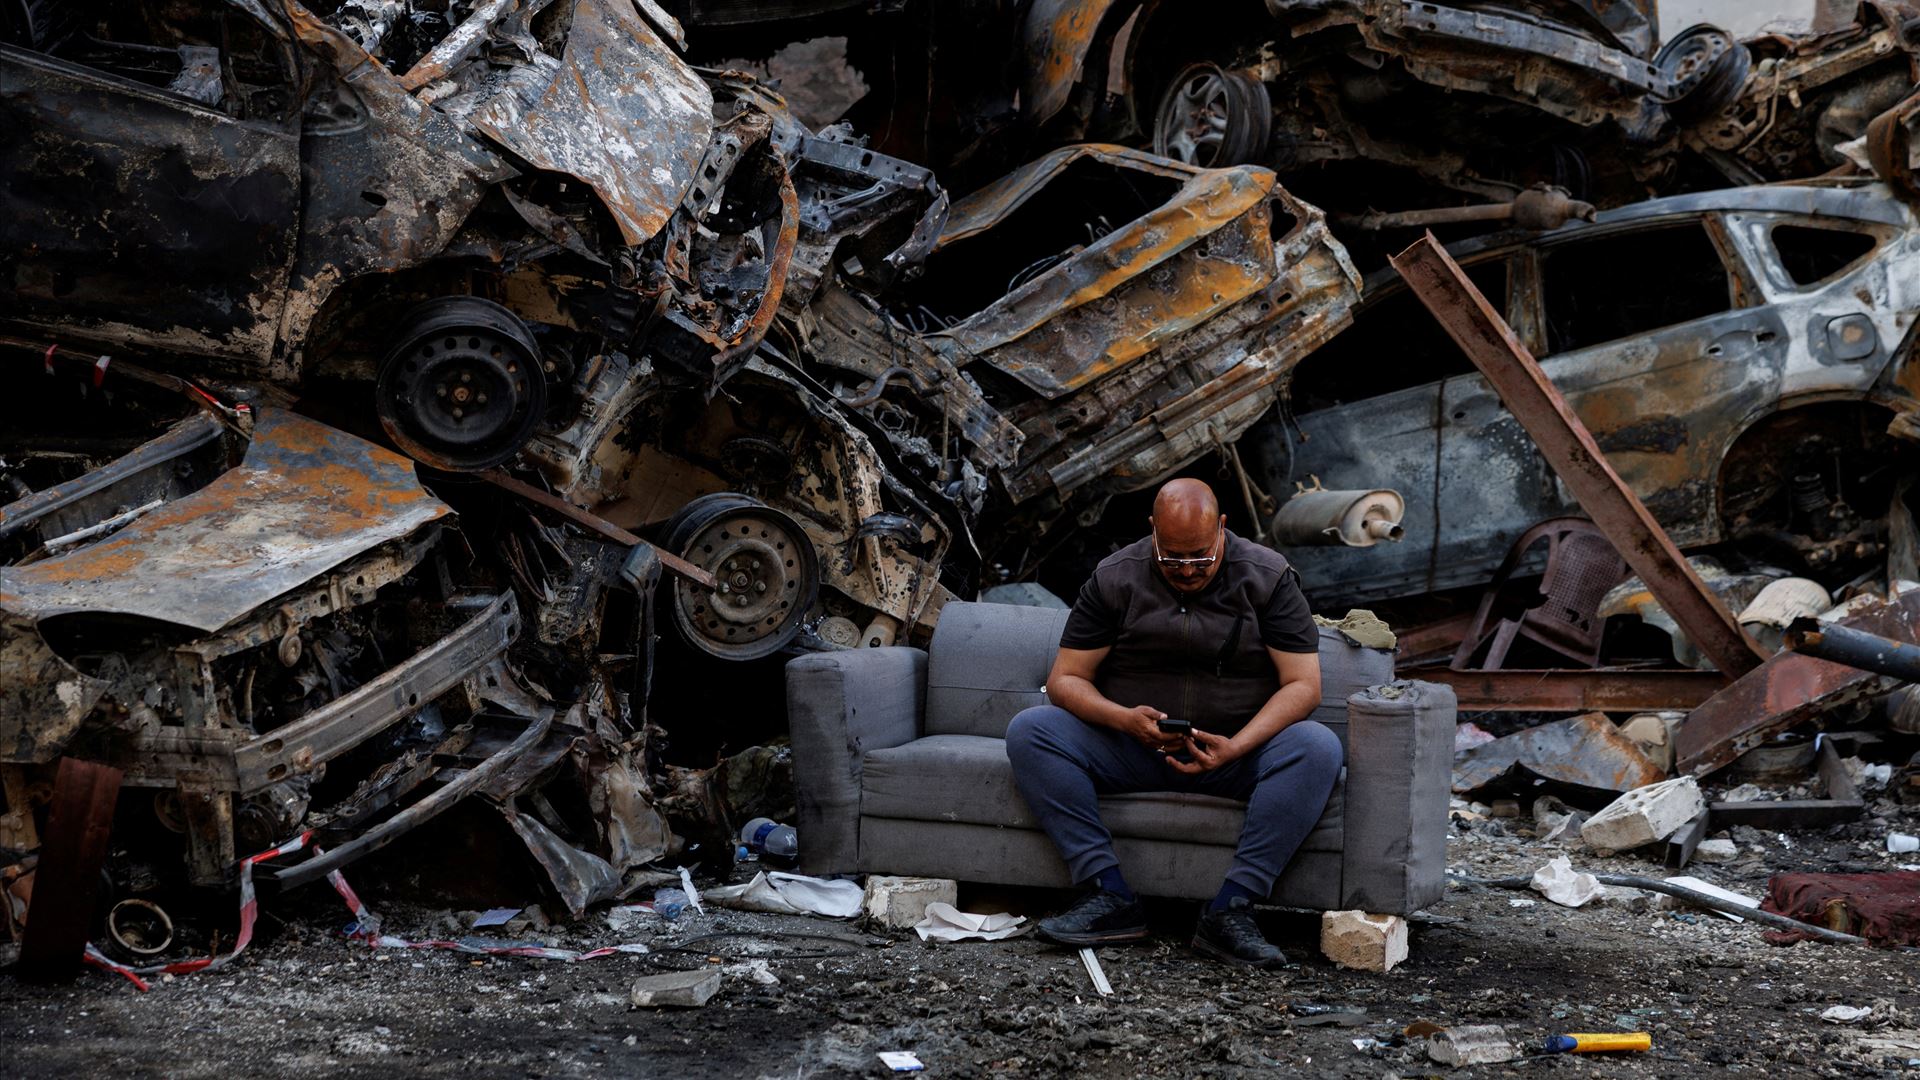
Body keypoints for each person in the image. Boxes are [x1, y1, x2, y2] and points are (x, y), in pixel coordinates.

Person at [1004, 477, 1342, 967]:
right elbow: (1066, 680)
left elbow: (1303, 686)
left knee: (1317, 746)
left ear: (1222, 527)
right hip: (1132, 750)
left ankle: (1231, 910)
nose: (1187, 571)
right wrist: (1123, 720)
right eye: (1173, 558)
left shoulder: (1268, 577)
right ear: (1153, 532)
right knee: (1031, 730)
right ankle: (1110, 896)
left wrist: (1238, 745)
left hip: (1233, 756)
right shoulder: (1114, 577)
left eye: (1201, 558)